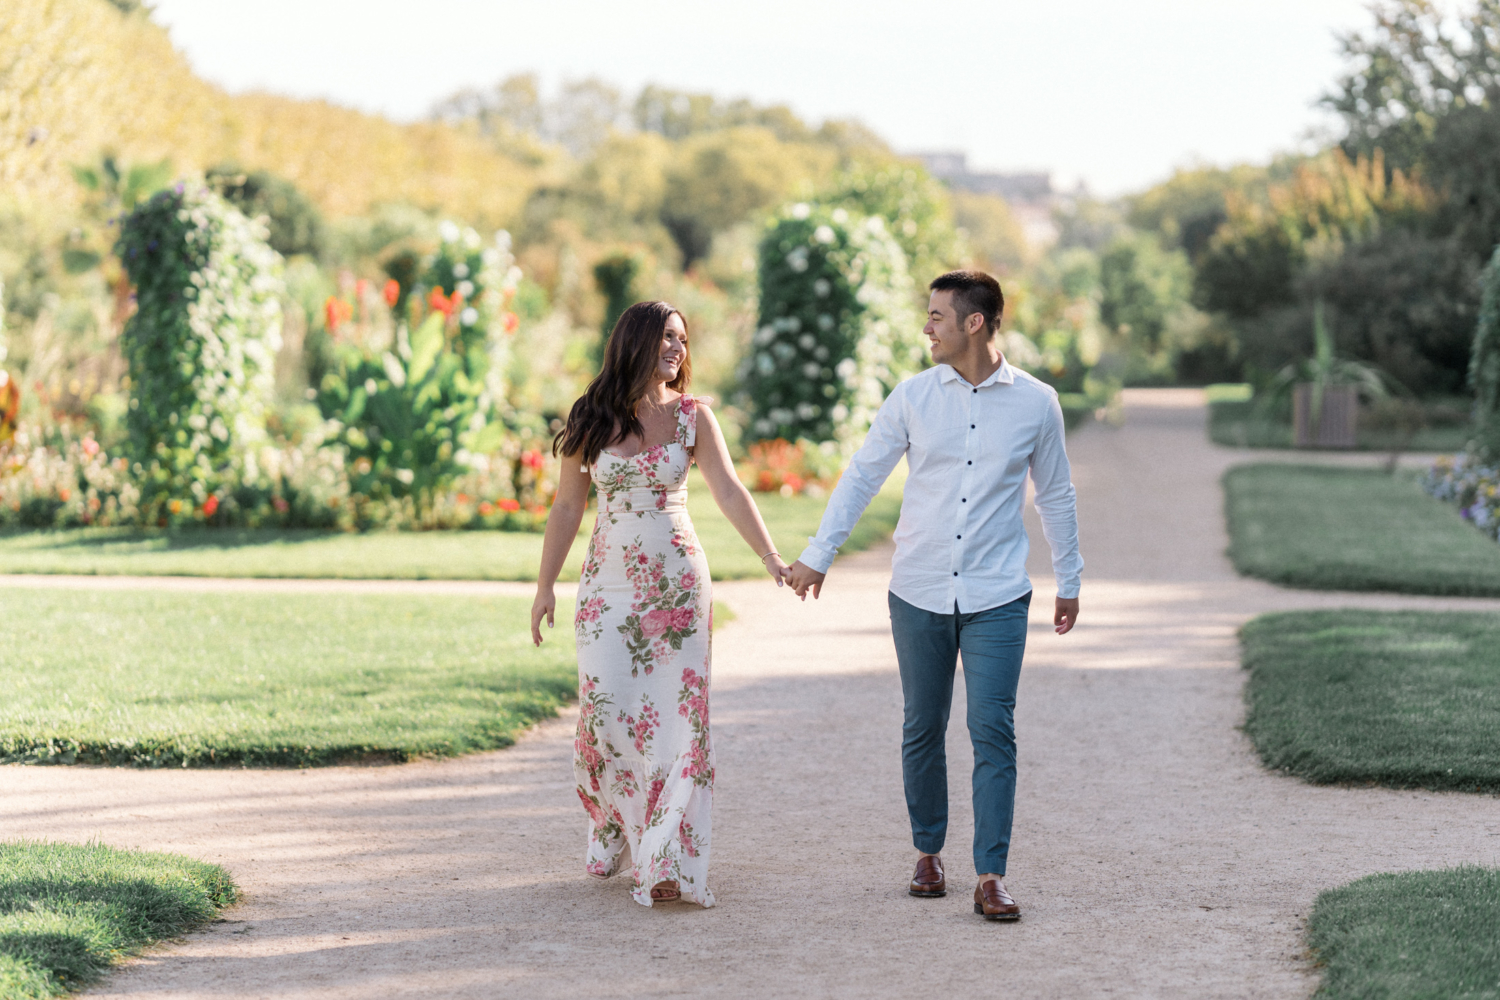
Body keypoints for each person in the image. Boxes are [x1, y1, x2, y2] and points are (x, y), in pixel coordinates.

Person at [787, 270, 1082, 922]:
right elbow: (864, 475)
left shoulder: (1037, 403)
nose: (926, 327)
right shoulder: (913, 397)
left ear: (974, 322)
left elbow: (1056, 494)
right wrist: (818, 554)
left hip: (998, 592)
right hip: (918, 588)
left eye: (937, 316)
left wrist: (1070, 579)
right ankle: (927, 853)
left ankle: (990, 874)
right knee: (922, 725)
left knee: (991, 729)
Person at [531, 301, 791, 908]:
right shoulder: (590, 416)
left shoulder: (694, 417)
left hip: (676, 582)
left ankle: (666, 854)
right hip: (607, 587)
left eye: (682, 338)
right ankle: (613, 821)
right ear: (635, 343)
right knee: (606, 711)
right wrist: (546, 586)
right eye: (665, 337)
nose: (677, 348)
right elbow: (568, 507)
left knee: (677, 721)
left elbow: (728, 489)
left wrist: (770, 557)